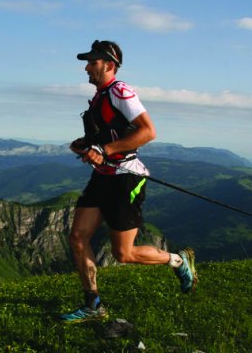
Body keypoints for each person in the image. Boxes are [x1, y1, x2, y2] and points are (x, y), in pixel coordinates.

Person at [60, 40, 198, 323]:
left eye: (92, 62)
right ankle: (93, 305)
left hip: (125, 179)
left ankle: (178, 260)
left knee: (123, 254)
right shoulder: (100, 97)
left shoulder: (120, 91)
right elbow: (110, 133)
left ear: (109, 65)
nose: (86, 67)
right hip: (102, 178)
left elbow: (148, 132)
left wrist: (104, 151)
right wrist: (87, 145)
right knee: (77, 238)